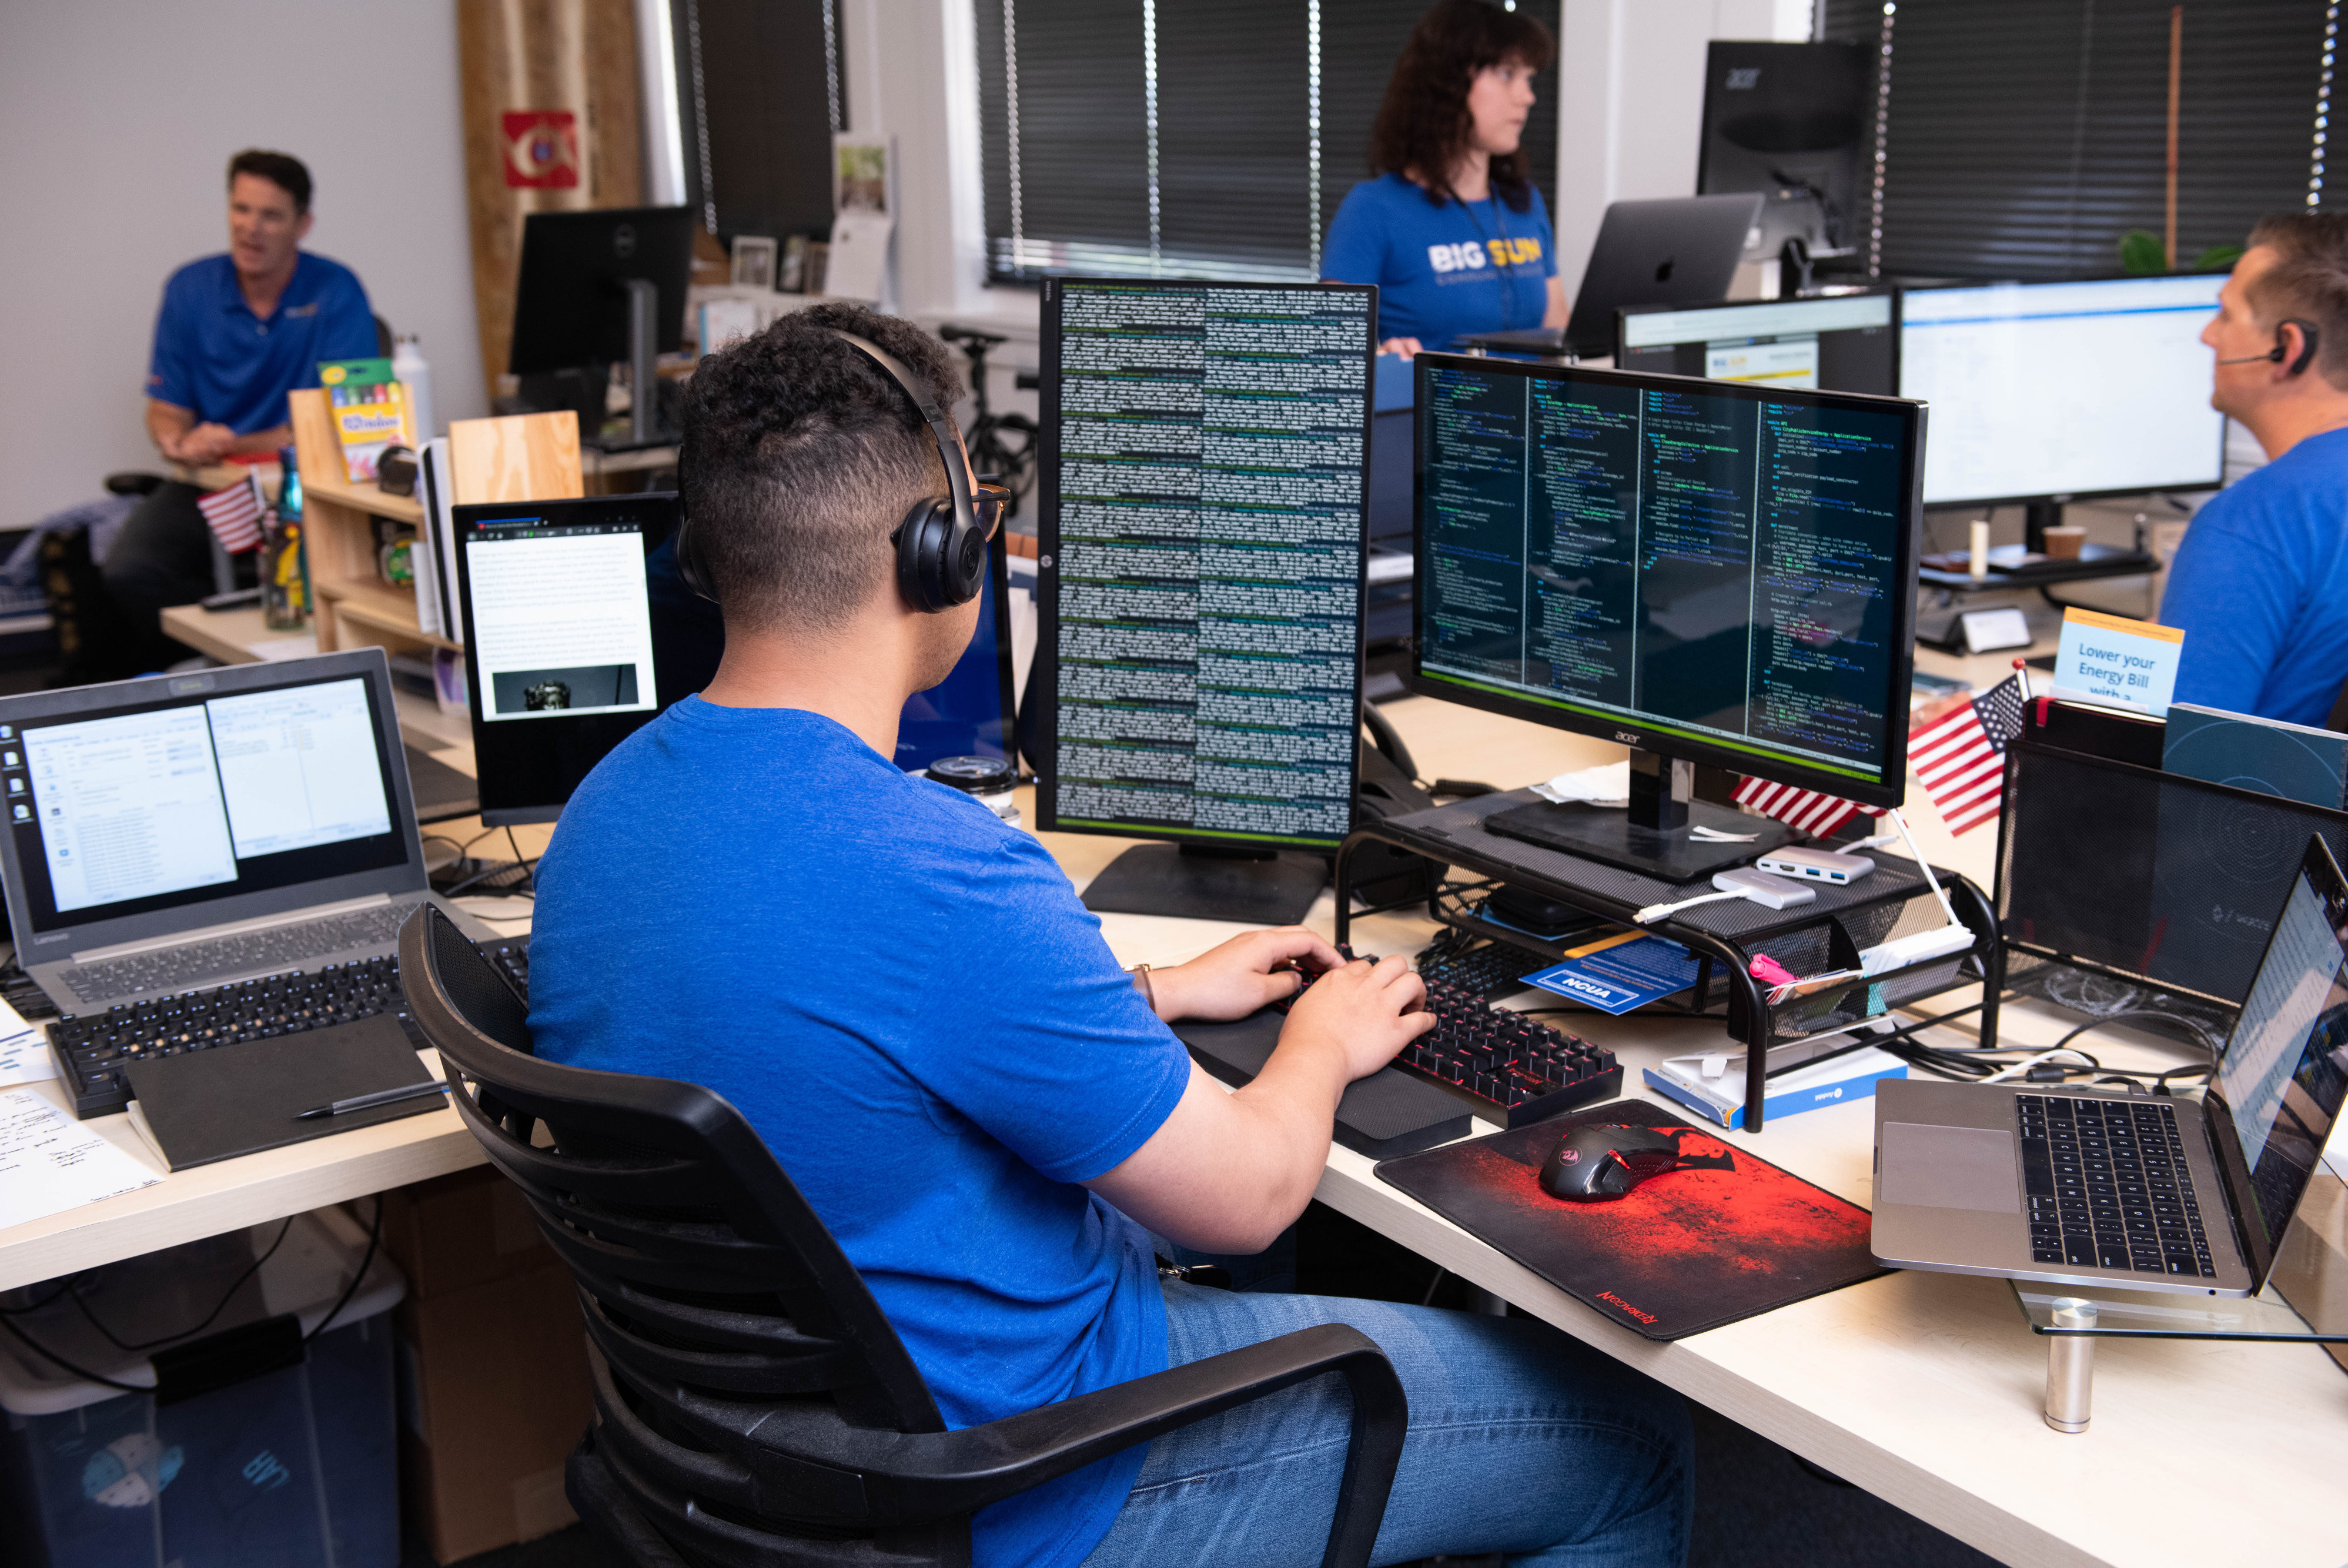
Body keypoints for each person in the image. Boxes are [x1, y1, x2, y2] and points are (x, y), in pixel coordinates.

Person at [527, 303, 1693, 1568]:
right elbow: (1242, 1199)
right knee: (1626, 1441)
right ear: (942, 549)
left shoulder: (606, 811)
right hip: (1033, 1472)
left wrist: (1134, 994)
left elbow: (835, 1040)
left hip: (772, 1471)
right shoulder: (943, 871)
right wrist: (1320, 1037)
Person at [108, 150, 377, 670]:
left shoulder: (336, 289)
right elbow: (164, 410)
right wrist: (177, 442)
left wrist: (231, 441)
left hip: (303, 485)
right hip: (209, 483)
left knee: (336, 583)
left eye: (271, 215)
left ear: (303, 225)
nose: (251, 229)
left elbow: (345, 417)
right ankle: (216, 672)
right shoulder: (189, 288)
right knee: (131, 572)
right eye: (241, 210)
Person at [2162, 213, 2348, 727]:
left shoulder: (2252, 524)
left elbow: (2181, 767)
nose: (2207, 336)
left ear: (2287, 348)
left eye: (2225, 315)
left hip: (2263, 808)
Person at [1322, 0, 1566, 357]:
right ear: (1449, 83)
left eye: (1529, 78)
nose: (1527, 97)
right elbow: (1331, 355)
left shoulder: (1524, 201)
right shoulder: (1373, 210)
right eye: (1506, 74)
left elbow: (1559, 337)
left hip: (1528, 409)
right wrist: (1382, 356)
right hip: (1430, 411)